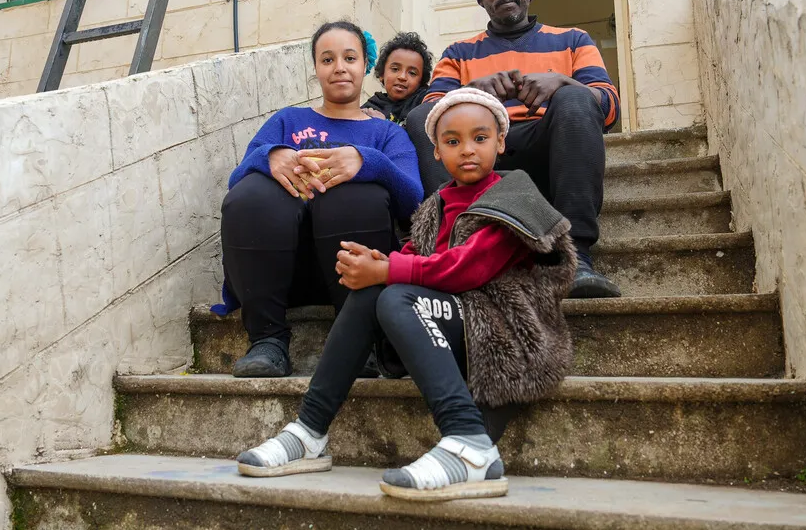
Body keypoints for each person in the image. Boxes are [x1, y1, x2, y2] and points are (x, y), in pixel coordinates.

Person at [235, 88, 574, 502]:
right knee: (371, 291)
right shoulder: (438, 204)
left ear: (501, 142)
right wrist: (380, 262)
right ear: (436, 153)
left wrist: (389, 270)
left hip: (504, 329)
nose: (467, 150)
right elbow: (415, 256)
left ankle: (471, 444)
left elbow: (468, 267)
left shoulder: (514, 196)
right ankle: (309, 430)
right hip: (454, 319)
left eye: (480, 138)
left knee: (395, 295)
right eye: (453, 141)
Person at [405, 0, 622, 299]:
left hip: (549, 153)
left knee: (576, 97)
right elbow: (426, 114)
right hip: (483, 158)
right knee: (425, 115)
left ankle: (575, 258)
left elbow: (609, 108)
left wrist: (561, 83)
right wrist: (470, 94)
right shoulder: (459, 54)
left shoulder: (573, 40)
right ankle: (456, 244)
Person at [219, 20, 424, 378]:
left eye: (349, 57)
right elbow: (236, 182)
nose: (339, 67)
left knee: (354, 194)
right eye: (327, 59)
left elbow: (413, 201)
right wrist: (268, 157)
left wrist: (367, 161)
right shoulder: (288, 120)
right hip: (278, 269)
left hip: (353, 271)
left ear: (364, 66)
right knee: (251, 193)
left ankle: (358, 341)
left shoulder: (386, 133)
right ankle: (267, 340)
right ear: (316, 68)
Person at [361, 31, 434, 125]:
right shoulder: (370, 109)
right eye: (395, 69)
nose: (402, 77)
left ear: (421, 82)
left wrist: (383, 125)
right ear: (382, 74)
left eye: (412, 73)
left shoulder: (425, 105)